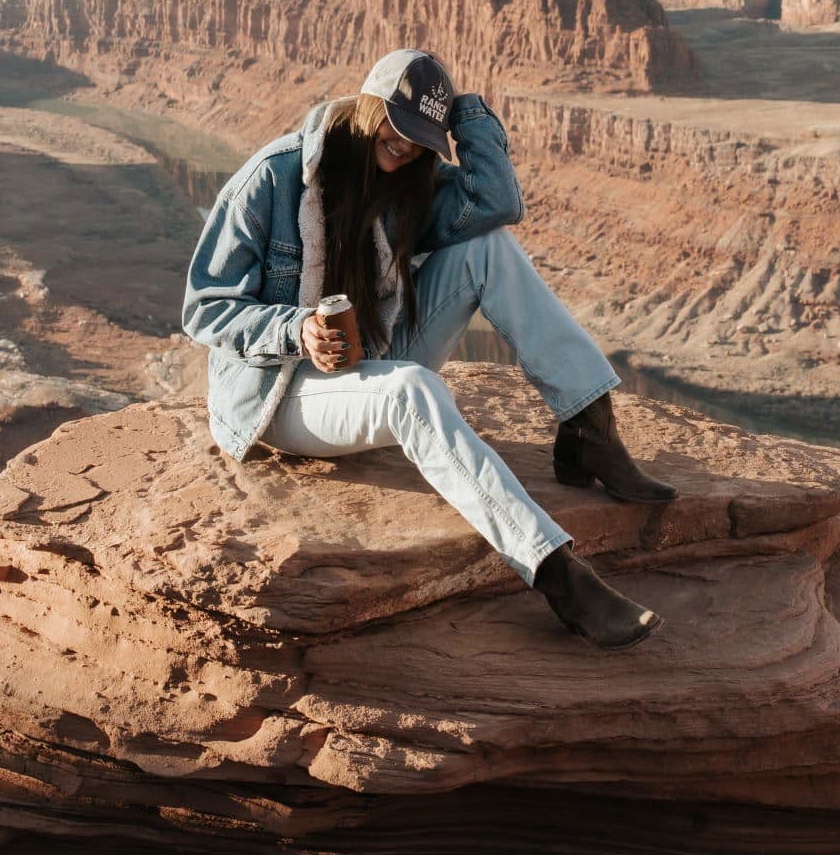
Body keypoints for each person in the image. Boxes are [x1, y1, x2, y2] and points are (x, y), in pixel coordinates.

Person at [182, 49, 674, 647]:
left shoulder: (410, 179)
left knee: (487, 248)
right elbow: (204, 307)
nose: (408, 149)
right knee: (414, 390)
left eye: (423, 139)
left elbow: (497, 203)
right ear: (368, 107)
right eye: (400, 128)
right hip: (283, 391)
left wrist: (464, 114)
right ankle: (558, 576)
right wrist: (298, 330)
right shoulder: (274, 177)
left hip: (372, 359)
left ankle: (589, 431)